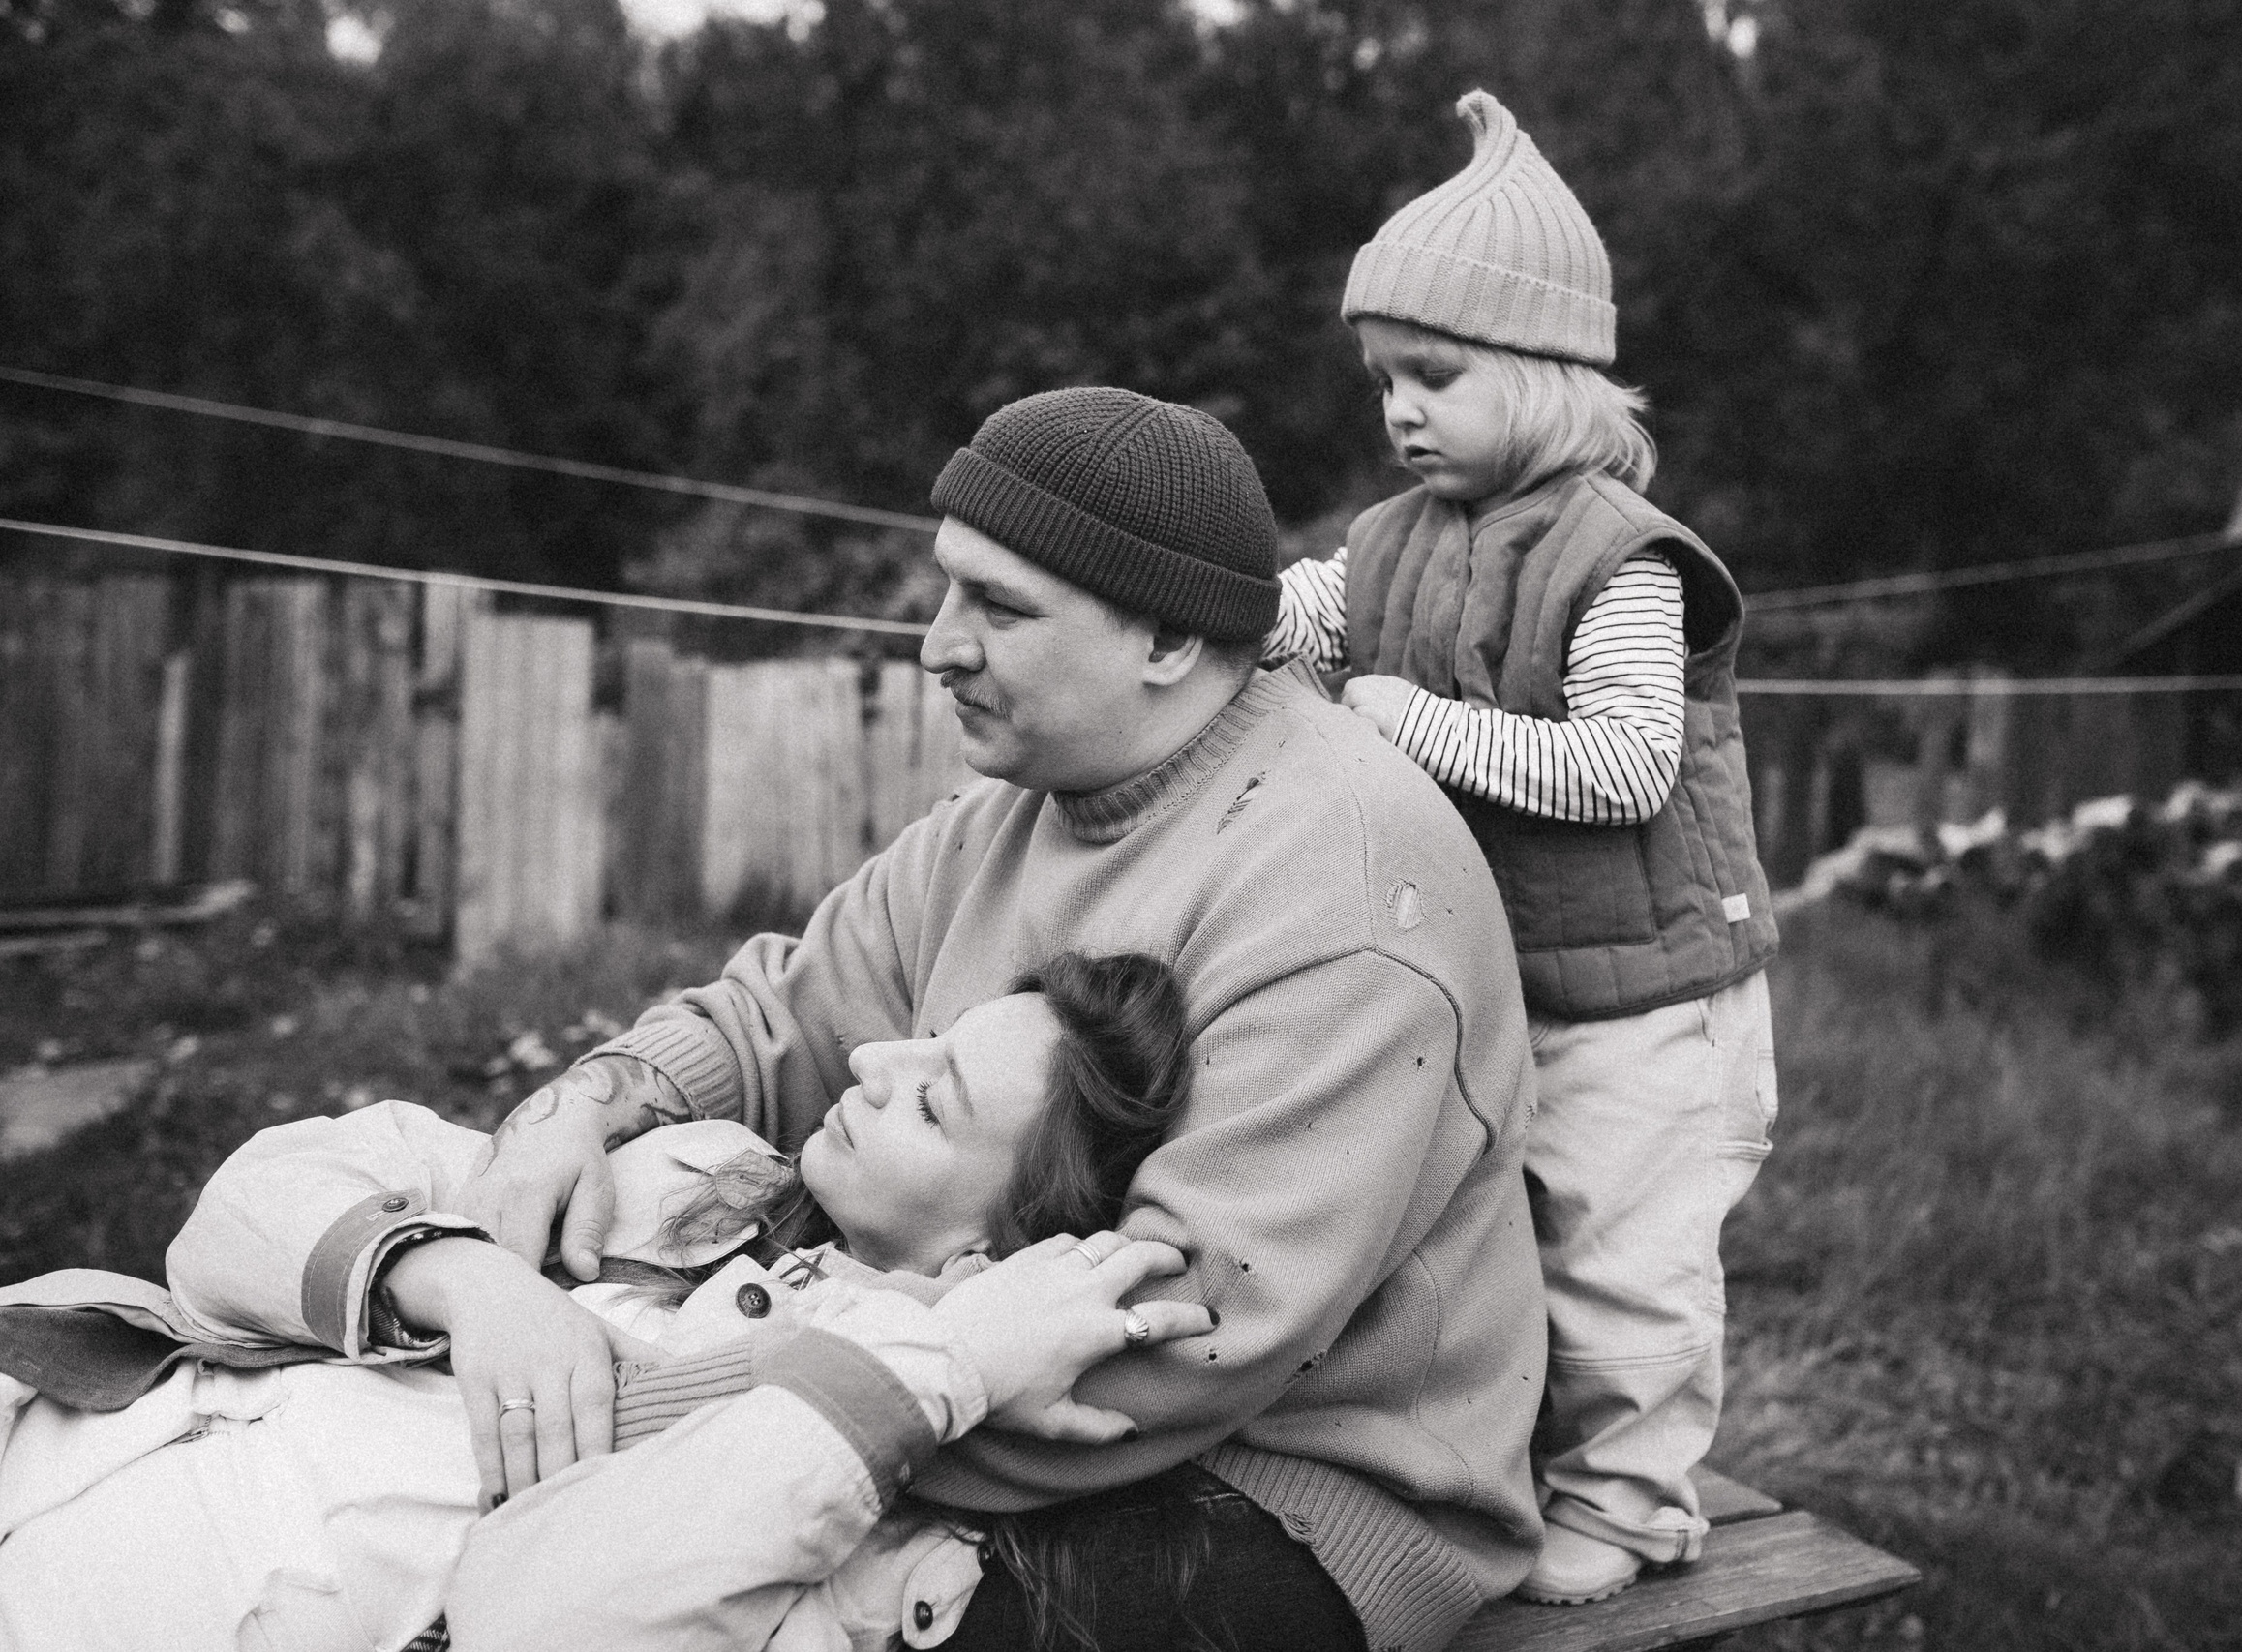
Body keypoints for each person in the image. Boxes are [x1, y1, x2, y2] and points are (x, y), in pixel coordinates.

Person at [458, 387, 1549, 1652]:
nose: (938, 645)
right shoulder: (1020, 806)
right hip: (974, 1391)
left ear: (1168, 641)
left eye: (1002, 607)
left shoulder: (1347, 891)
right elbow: (783, 1014)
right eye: (948, 589)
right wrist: (580, 1110)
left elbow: (1182, 1335)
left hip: (1278, 1490)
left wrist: (693, 1409)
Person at [0, 955, 1213, 1652]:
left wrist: (922, 1369)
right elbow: (237, 1215)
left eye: (932, 1101)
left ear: (982, 1254)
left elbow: (543, 1621)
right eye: (922, 1040)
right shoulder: (685, 1172)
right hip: (44, 1420)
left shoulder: (870, 1486)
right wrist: (463, 1278)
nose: (865, 1064)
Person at [1261, 90, 1781, 1607]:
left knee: (1625, 1254)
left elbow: (1625, 766)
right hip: (1511, 975)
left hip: (1652, 997)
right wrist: (1205, 606)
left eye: (1435, 373)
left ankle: (1629, 1503)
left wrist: (1407, 720)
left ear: (1553, 378)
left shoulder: (1624, 558)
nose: (1399, 409)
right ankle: (1498, 1467)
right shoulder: (1400, 532)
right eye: (1382, 380)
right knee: (1504, 1240)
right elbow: (1306, 610)